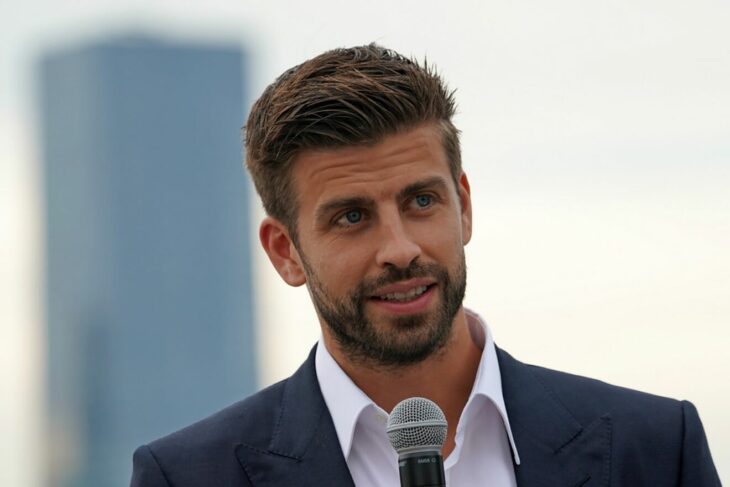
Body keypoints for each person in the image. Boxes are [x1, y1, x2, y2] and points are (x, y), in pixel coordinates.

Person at [130, 44, 720, 486]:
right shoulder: (188, 476)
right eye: (352, 217)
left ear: (463, 206)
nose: (401, 248)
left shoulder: (654, 448)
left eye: (420, 201)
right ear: (285, 252)